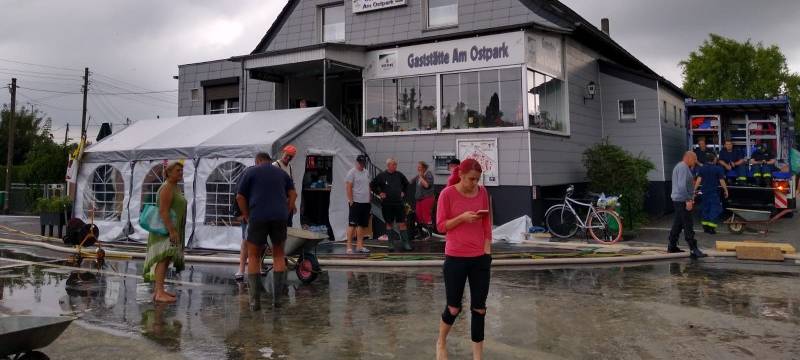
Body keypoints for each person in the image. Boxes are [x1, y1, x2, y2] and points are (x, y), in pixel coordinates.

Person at [434, 159, 492, 360]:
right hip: (455, 257)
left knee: (479, 309)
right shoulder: (447, 194)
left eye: (477, 179)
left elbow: (487, 222)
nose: (474, 183)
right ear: (461, 175)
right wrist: (461, 218)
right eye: (471, 179)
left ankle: (478, 357)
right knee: (453, 308)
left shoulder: (482, 192)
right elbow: (440, 226)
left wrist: (487, 250)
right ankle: (441, 341)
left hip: (480, 258)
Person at [237, 153, 297, 310]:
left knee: (254, 256)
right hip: (279, 217)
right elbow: (293, 194)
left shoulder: (250, 172)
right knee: (279, 255)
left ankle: (254, 302)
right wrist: (287, 210)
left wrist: (247, 215)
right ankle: (277, 301)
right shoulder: (282, 173)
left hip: (258, 216)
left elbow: (239, 197)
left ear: (257, 161)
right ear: (270, 161)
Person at [142, 161, 186, 303]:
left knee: (166, 259)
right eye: (178, 170)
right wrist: (172, 231)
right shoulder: (167, 187)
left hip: (172, 229)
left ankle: (158, 291)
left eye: (181, 170)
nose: (181, 173)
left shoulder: (174, 187)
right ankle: (160, 293)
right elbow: (163, 211)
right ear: (169, 172)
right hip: (166, 230)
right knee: (163, 259)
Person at [235, 153, 271, 281]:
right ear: (258, 162)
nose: (267, 167)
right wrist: (241, 213)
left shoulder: (268, 175)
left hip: (263, 213)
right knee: (246, 241)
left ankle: (259, 265)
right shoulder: (248, 173)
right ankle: (241, 269)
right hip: (249, 212)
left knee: (261, 241)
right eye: (265, 164)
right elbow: (238, 193)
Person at [668, 151, 706, 258]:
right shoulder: (683, 167)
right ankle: (693, 249)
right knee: (688, 224)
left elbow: (683, 185)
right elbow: (681, 186)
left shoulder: (681, 167)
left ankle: (672, 246)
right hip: (682, 200)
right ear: (688, 158)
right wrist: (688, 200)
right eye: (694, 159)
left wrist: (691, 194)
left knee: (678, 224)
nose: (695, 162)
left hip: (679, 200)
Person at [370, 158, 411, 251]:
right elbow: (372, 185)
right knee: (389, 223)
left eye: (396, 164)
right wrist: (379, 193)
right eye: (394, 164)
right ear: (388, 165)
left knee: (402, 223)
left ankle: (406, 243)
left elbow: (406, 184)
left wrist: (404, 192)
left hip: (399, 203)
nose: (395, 166)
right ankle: (391, 244)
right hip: (387, 204)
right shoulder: (382, 175)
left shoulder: (399, 175)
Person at [695, 153, 729, 234]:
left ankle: (705, 227)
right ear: (713, 159)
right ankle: (711, 229)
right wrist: (726, 190)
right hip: (713, 193)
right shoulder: (718, 169)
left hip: (703, 192)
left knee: (705, 209)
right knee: (714, 210)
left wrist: (694, 190)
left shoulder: (702, 168)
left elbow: (698, 180)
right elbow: (721, 181)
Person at [345, 155, 372, 254]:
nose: (362, 164)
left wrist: (369, 198)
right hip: (356, 202)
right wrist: (351, 200)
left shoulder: (366, 172)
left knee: (362, 225)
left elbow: (368, 186)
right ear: (356, 162)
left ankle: (359, 246)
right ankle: (348, 246)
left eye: (363, 163)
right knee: (352, 225)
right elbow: (348, 187)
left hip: (365, 203)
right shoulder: (352, 172)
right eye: (360, 162)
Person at [274, 145, 297, 225]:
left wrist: (293, 203)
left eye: (291, 156)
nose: (288, 158)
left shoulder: (290, 167)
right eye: (287, 155)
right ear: (283, 153)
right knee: (280, 223)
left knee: (288, 223)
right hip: (279, 200)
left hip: (288, 201)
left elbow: (292, 185)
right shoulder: (275, 165)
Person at [411, 161, 435, 230]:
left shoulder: (428, 174)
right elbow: (410, 181)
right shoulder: (419, 175)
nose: (418, 168)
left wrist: (421, 177)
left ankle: (429, 233)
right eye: (418, 167)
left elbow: (427, 185)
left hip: (427, 198)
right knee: (419, 216)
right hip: (419, 199)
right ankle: (421, 232)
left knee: (426, 216)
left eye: (420, 167)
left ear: (424, 168)